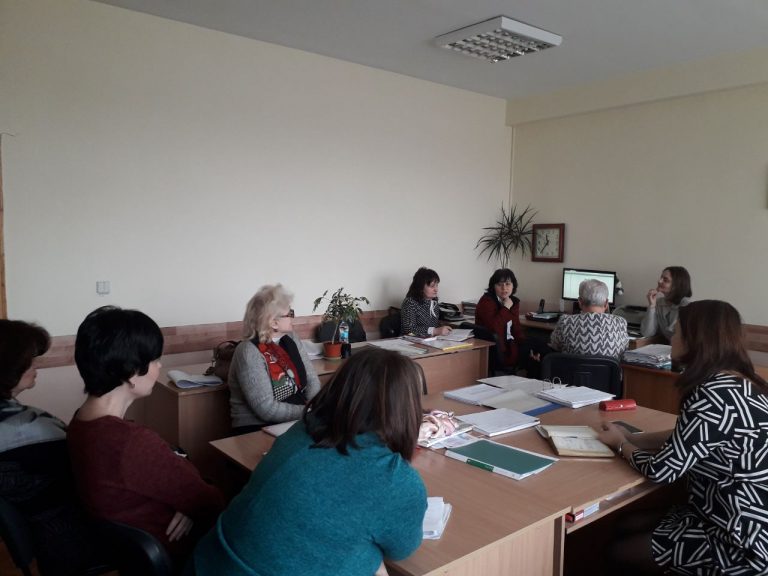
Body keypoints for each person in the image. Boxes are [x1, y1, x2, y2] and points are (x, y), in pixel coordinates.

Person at [194, 347, 428, 576]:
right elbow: (401, 550)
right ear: (407, 410)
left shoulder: (301, 430)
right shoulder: (395, 478)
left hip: (207, 562)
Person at [598, 300, 768, 575]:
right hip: (737, 516)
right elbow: (692, 436)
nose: (672, 338)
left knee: (618, 551)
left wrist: (620, 444)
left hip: (739, 539)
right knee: (624, 523)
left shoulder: (713, 396)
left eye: (677, 331)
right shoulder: (743, 382)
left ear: (695, 339)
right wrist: (636, 439)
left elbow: (661, 471)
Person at [67, 306, 224, 568]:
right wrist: (192, 503)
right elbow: (211, 503)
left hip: (134, 557)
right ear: (131, 373)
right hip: (186, 557)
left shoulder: (80, 422)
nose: (159, 366)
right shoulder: (130, 443)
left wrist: (189, 503)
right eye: (154, 359)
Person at [0, 320, 102, 575]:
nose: (36, 366)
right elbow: (93, 474)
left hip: (45, 531)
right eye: (29, 361)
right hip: (68, 537)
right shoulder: (29, 430)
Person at [229, 284, 321, 435]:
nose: (293, 317)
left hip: (296, 418)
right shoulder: (248, 351)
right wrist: (309, 411)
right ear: (273, 322)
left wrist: (315, 407)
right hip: (255, 428)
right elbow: (266, 409)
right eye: (289, 313)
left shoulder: (291, 338)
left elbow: (312, 379)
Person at [549, 279, 629, 359]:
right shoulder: (621, 323)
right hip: (608, 367)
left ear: (580, 302)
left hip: (572, 367)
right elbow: (624, 349)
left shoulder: (565, 322)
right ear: (606, 303)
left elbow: (554, 346)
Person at [474, 268, 526, 368]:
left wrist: (525, 344)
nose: (504, 288)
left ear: (513, 285)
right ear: (493, 286)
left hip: (511, 345)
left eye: (508, 284)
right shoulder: (487, 301)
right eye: (499, 284)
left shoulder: (513, 302)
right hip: (497, 349)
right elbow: (494, 328)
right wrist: (506, 308)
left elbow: (516, 328)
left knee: (538, 349)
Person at [640, 266, 692, 342]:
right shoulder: (659, 303)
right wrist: (652, 306)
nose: (659, 281)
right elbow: (647, 333)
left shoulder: (687, 306)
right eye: (661, 278)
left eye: (665, 280)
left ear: (677, 285)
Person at [400, 266, 452, 338]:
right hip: (411, 341)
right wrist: (435, 331)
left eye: (437, 285)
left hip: (429, 340)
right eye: (432, 286)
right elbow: (409, 330)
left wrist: (443, 328)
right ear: (420, 287)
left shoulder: (433, 302)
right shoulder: (410, 302)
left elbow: (434, 326)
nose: (436, 289)